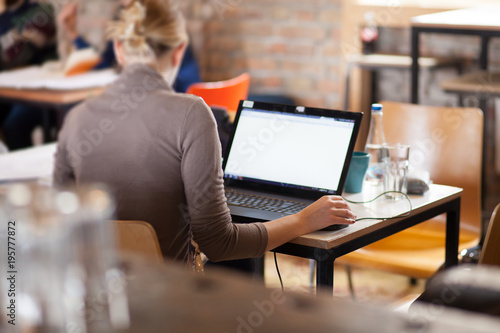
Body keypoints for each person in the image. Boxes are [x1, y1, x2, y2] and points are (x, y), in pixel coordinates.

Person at [52, 0, 356, 266]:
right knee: (240, 262)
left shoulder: (76, 118)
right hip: (169, 301)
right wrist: (305, 219)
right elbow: (220, 244)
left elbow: (58, 225)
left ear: (119, 49)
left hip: (97, 303)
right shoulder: (191, 113)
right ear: (178, 50)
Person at [0, 0, 58, 150]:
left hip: (41, 93)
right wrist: (16, 35)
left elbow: (19, 55)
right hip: (8, 91)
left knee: (14, 126)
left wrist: (3, 17)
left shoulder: (42, 12)